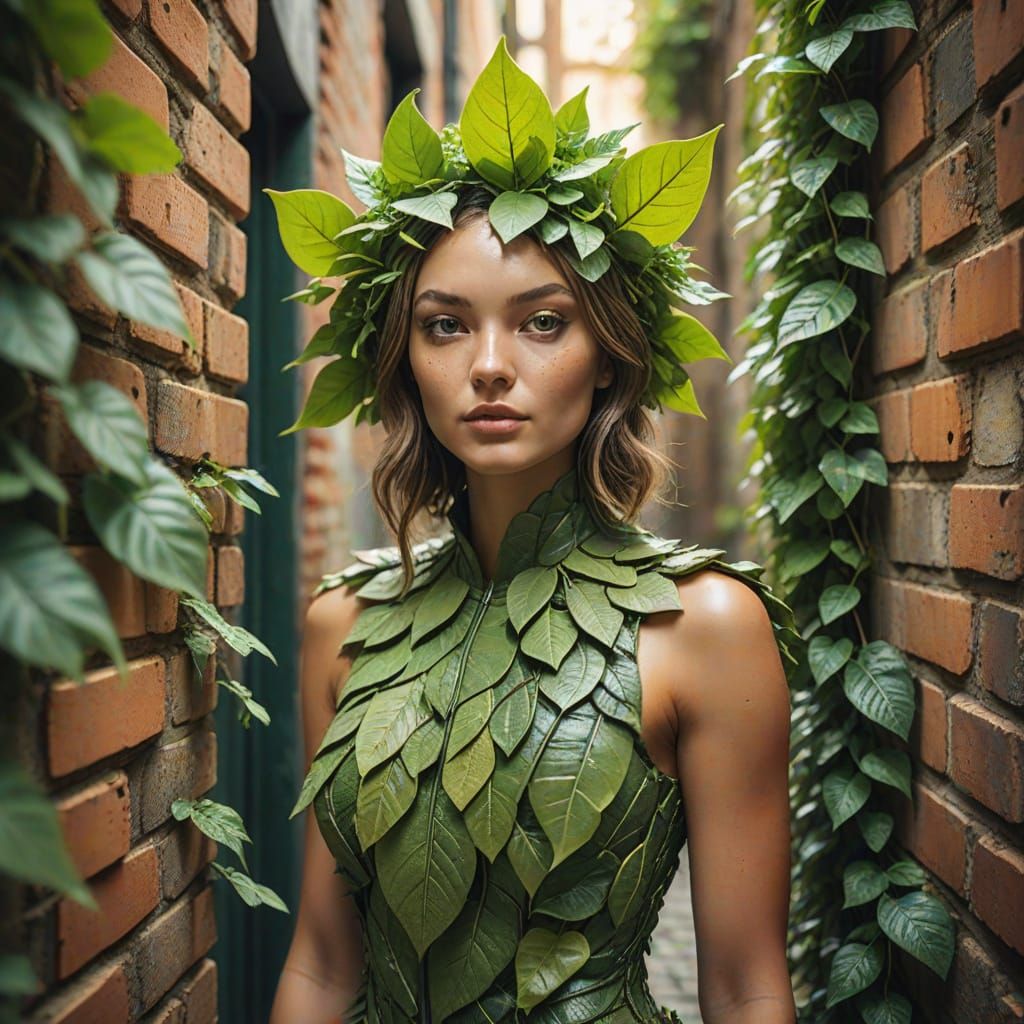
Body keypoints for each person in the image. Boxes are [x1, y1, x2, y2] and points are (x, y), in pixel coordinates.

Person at [268, 36, 800, 1024]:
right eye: (445, 323)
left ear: (608, 353)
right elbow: (320, 958)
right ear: (405, 361)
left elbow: (744, 983)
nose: (490, 366)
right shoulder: (340, 625)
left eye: (542, 321)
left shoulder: (706, 626)